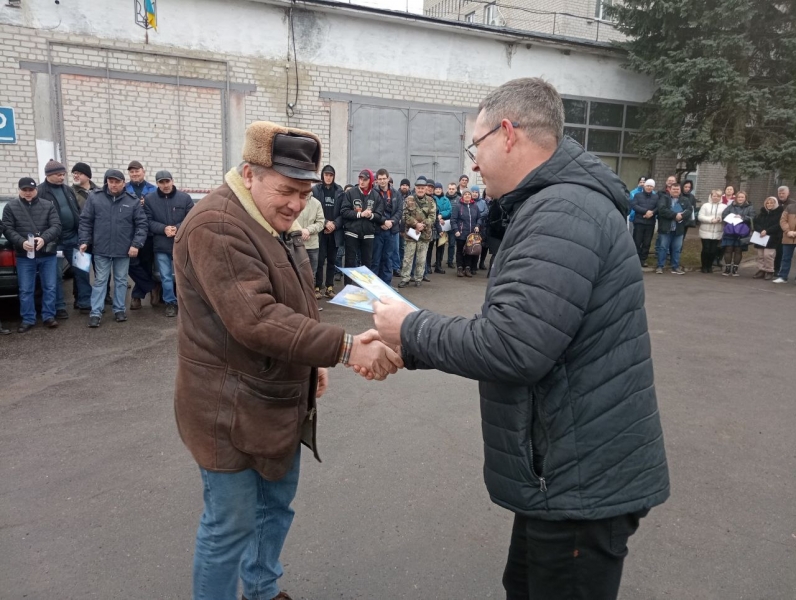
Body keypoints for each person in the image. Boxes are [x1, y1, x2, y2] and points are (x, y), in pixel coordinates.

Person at [372, 78, 668, 600]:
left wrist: (411, 327)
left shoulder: (563, 213)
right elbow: (530, 330)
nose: (474, 164)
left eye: (475, 147)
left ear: (506, 134)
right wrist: (409, 345)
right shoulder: (555, 206)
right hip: (564, 473)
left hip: (578, 481)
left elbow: (515, 345)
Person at [172, 121, 402, 600]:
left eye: (304, 192)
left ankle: (261, 590)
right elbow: (256, 318)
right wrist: (343, 347)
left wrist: (312, 362)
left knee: (276, 508)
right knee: (229, 526)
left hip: (277, 398)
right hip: (228, 408)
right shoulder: (217, 225)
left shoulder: (268, 217)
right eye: (287, 190)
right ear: (251, 174)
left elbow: (297, 302)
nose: (297, 204)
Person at [79, 169, 148, 327]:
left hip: (123, 250)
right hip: (101, 248)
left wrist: (136, 244)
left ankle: (119, 310)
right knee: (100, 281)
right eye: (111, 181)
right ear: (107, 182)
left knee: (121, 281)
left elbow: (142, 225)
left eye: (117, 181)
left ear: (124, 183)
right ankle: (96, 313)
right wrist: (84, 240)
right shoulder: (95, 198)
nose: (114, 184)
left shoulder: (132, 201)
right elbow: (85, 221)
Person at [1, 177, 62, 332]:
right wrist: (21, 242)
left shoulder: (48, 206)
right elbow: (7, 229)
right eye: (24, 190)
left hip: (47, 254)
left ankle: (49, 316)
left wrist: (44, 238)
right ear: (19, 190)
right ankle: (28, 318)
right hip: (24, 255)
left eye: (31, 190)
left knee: (50, 286)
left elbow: (56, 226)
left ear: (36, 190)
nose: (28, 193)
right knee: (26, 289)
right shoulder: (10, 207)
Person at [37, 159, 92, 318]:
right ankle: (59, 306)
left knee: (82, 270)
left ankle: (84, 302)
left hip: (74, 238)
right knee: (55, 275)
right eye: (58, 175)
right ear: (48, 175)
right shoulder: (41, 191)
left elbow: (76, 211)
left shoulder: (68, 190)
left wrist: (82, 235)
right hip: (54, 242)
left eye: (63, 174)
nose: (62, 177)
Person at [143, 171, 195, 317]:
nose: (165, 185)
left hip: (181, 243)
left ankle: (186, 303)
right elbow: (147, 221)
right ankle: (170, 303)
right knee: (166, 277)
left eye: (167, 181)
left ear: (172, 181)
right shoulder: (150, 199)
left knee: (184, 276)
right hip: (161, 244)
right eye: (161, 182)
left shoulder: (184, 198)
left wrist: (177, 228)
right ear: (157, 184)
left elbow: (191, 218)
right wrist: (163, 228)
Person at [125, 160, 160, 309]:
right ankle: (151, 286)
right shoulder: (124, 189)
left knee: (146, 264)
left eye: (137, 171)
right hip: (128, 233)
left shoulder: (153, 189)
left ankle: (137, 296)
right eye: (132, 172)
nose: (134, 174)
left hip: (148, 233)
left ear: (143, 171)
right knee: (130, 264)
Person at [340, 169, 383, 285]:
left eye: (365, 179)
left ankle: (365, 288)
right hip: (352, 233)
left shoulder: (375, 195)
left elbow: (380, 215)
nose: (362, 181)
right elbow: (344, 211)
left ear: (371, 181)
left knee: (367, 263)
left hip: (368, 234)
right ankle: (348, 287)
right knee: (350, 261)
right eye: (360, 178)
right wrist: (360, 214)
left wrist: (371, 215)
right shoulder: (350, 193)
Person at [398, 176, 435, 288]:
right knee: (408, 257)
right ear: (415, 188)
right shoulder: (408, 200)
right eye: (418, 188)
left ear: (425, 189)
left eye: (422, 188)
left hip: (424, 234)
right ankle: (405, 278)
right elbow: (404, 215)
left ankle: (418, 278)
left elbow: (433, 217)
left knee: (421, 258)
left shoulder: (430, 201)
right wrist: (416, 224)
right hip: (411, 233)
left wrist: (423, 225)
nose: (420, 190)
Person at [312, 165, 343, 299]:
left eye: (331, 175)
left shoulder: (339, 191)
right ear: (322, 176)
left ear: (333, 176)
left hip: (334, 232)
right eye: (326, 175)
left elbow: (343, 212)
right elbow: (313, 210)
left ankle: (329, 287)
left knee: (332, 260)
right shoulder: (316, 190)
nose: (328, 177)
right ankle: (317, 287)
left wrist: (334, 224)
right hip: (320, 231)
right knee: (319, 260)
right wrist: (325, 223)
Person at [372, 169, 402, 285]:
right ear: (376, 180)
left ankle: (386, 286)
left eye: (384, 178)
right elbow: (372, 211)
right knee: (376, 260)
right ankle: (375, 286)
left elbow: (399, 210)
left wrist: (392, 222)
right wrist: (383, 222)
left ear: (388, 179)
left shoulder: (395, 193)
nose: (382, 181)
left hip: (391, 231)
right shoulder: (373, 193)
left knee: (388, 259)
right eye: (380, 179)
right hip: (377, 230)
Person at [655, 182, 691, 275]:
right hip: (665, 228)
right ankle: (660, 266)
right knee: (663, 248)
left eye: (677, 189)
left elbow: (689, 210)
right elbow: (662, 210)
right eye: (674, 189)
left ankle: (675, 266)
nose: (675, 191)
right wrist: (675, 215)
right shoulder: (664, 198)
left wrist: (681, 216)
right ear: (670, 190)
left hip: (678, 229)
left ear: (680, 190)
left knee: (677, 249)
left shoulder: (685, 200)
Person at [295, 192, 325, 298]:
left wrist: (308, 230)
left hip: (312, 245)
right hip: (296, 243)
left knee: (311, 274)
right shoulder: (294, 200)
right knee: (296, 273)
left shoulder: (316, 203)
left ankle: (310, 302)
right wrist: (300, 231)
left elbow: (321, 222)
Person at [720, 190, 755, 277]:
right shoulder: (730, 206)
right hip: (730, 231)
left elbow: (753, 217)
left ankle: (735, 269)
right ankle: (727, 268)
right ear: (736, 198)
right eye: (739, 197)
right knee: (728, 249)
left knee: (738, 250)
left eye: (742, 197)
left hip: (742, 232)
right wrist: (731, 217)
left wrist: (742, 217)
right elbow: (724, 215)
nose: (740, 199)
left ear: (745, 198)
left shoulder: (750, 207)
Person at [451, 189, 482, 277]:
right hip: (461, 233)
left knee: (469, 251)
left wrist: (478, 225)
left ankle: (467, 268)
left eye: (469, 194)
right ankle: (460, 268)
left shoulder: (475, 206)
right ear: (462, 196)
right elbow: (453, 220)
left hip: (471, 235)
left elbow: (479, 218)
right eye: (465, 194)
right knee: (460, 251)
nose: (467, 195)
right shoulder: (458, 206)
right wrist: (456, 230)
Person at [751, 196, 782, 280]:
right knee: (760, 255)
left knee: (768, 255)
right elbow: (756, 222)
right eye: (767, 203)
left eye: (772, 203)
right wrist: (760, 230)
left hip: (772, 237)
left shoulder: (780, 213)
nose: (769, 204)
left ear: (775, 204)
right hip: (761, 236)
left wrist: (767, 231)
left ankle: (769, 271)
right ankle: (761, 270)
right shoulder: (762, 212)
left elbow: (778, 225)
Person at [629, 178, 658, 267]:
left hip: (650, 223)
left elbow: (658, 207)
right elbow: (634, 205)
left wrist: (652, 213)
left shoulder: (656, 196)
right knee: (637, 241)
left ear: (653, 187)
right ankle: (635, 259)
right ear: (644, 186)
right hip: (639, 222)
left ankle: (643, 259)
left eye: (651, 186)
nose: (649, 187)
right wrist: (645, 211)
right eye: (647, 186)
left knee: (647, 242)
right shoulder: (637, 195)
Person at [697, 189, 725, 273]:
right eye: (714, 196)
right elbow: (700, 216)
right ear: (711, 196)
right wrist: (710, 220)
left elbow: (726, 216)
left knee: (713, 250)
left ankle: (709, 266)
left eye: (718, 196)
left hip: (717, 231)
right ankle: (704, 266)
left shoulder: (724, 206)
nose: (716, 198)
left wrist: (720, 219)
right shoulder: (706, 205)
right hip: (705, 230)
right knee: (706, 249)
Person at [773, 196, 796, 284]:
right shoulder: (789, 207)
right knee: (785, 258)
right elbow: (783, 220)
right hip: (788, 237)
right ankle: (783, 276)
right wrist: (788, 231)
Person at [433, 182, 451, 274]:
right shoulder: (432, 199)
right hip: (434, 225)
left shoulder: (446, 200)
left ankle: (438, 265)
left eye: (439, 189)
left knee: (441, 246)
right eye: (436, 189)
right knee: (430, 247)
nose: (438, 190)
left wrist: (441, 215)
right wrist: (437, 217)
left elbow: (449, 210)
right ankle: (427, 266)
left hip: (444, 225)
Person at [774, 186, 792, 274]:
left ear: (788, 193)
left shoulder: (792, 204)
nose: (781, 195)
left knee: (782, 252)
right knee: (774, 251)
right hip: (774, 230)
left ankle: (779, 270)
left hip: (786, 231)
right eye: (779, 193)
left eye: (783, 193)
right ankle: (774, 268)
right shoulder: (774, 202)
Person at [444, 182, 459, 268]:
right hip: (444, 224)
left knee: (452, 244)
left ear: (456, 190)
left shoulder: (459, 199)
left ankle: (450, 261)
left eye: (453, 189)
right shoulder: (444, 198)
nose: (451, 190)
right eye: (450, 189)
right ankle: (438, 262)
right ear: (447, 189)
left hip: (453, 225)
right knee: (441, 244)